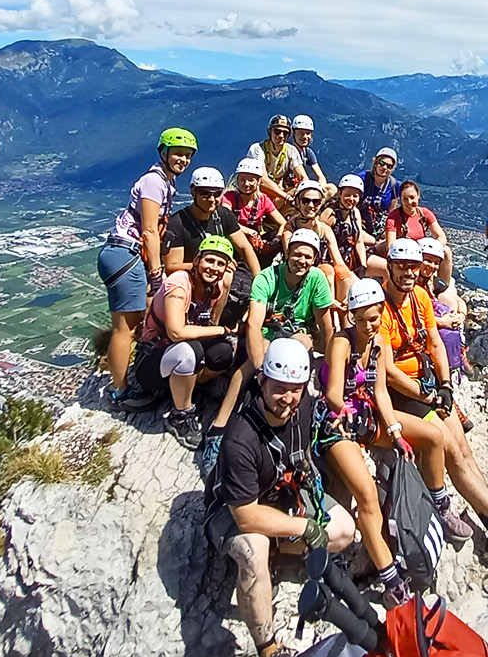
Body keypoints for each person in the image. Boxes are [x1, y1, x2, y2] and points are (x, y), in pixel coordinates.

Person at [204, 338, 356, 657]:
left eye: (295, 390)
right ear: (261, 382)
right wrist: (304, 529)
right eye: (279, 389)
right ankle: (268, 654)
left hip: (283, 495)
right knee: (253, 549)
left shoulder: (302, 408)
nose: (288, 399)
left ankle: (279, 548)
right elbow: (245, 515)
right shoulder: (240, 440)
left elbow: (315, 421)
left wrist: (335, 424)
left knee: (345, 529)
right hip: (232, 511)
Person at [314, 280, 471, 607]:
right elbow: (332, 393)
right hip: (338, 423)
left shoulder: (379, 343)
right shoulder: (342, 342)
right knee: (367, 494)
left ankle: (440, 505)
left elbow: (381, 392)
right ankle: (390, 578)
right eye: (362, 319)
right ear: (352, 316)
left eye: (374, 318)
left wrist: (397, 433)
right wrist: (346, 414)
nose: (369, 325)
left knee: (433, 436)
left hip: (367, 417)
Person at [378, 239, 488, 566]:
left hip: (427, 384)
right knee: (451, 450)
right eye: (402, 265)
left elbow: (434, 342)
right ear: (389, 266)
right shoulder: (383, 309)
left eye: (413, 267)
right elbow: (387, 371)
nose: (408, 272)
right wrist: (428, 394)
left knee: (463, 447)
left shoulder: (418, 297)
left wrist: (445, 383)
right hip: (404, 392)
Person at [201, 229, 337, 478]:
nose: (302, 261)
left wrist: (329, 369)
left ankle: (298, 440)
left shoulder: (316, 279)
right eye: (297, 254)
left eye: (308, 256)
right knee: (248, 369)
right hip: (265, 335)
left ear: (315, 259)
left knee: (300, 344)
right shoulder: (266, 278)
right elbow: (254, 323)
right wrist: (261, 365)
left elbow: (326, 325)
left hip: (296, 335)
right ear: (287, 253)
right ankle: (217, 429)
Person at [98, 127, 196, 404]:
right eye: (178, 154)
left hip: (123, 254)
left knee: (134, 323)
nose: (183, 160)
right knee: (125, 329)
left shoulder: (164, 181)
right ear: (163, 153)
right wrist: (156, 274)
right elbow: (150, 231)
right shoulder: (154, 182)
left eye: (188, 155)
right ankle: (121, 391)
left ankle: (127, 379)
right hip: (126, 253)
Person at [139, 234, 235, 448]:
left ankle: (189, 388)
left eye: (221, 264)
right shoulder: (179, 283)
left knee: (224, 352)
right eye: (209, 260)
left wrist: (226, 288)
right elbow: (175, 332)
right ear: (197, 260)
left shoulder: (213, 287)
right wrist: (221, 329)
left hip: (173, 356)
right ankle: (180, 415)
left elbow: (210, 322)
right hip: (152, 360)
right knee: (189, 351)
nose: (214, 268)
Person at [163, 168, 261, 280]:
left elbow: (245, 248)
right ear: (193, 193)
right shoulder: (177, 223)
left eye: (217, 194)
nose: (212, 199)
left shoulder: (224, 215)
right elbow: (171, 267)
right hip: (191, 279)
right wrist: (212, 266)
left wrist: (258, 281)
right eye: (205, 194)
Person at [280, 179, 351, 307]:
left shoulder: (324, 229)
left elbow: (339, 262)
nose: (311, 206)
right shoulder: (289, 232)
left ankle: (343, 315)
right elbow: (292, 266)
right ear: (297, 202)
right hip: (302, 278)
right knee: (327, 271)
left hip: (321, 276)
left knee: (342, 273)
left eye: (316, 202)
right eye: (306, 201)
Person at [417, 237, 468, 379]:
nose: (432, 266)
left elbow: (459, 301)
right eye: (427, 260)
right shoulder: (408, 282)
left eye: (436, 263)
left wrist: (461, 316)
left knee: (448, 300)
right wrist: (441, 322)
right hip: (420, 326)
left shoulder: (432, 282)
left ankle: (458, 353)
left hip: (430, 320)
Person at [383, 180, 453, 284]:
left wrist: (433, 249)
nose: (409, 202)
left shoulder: (424, 214)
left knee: (446, 251)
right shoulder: (394, 217)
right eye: (405, 199)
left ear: (418, 196)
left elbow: (441, 236)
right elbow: (390, 245)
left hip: (423, 251)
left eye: (412, 198)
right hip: (405, 254)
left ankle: (443, 286)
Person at [223, 157, 286, 269]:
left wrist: (275, 241)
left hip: (255, 245)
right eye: (242, 180)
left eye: (251, 180)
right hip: (233, 243)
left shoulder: (263, 200)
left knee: (281, 237)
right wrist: (250, 232)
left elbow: (283, 223)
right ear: (237, 180)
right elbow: (225, 220)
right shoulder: (229, 197)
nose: (246, 184)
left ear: (258, 181)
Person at [321, 173, 386, 279]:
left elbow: (359, 241)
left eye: (355, 196)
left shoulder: (355, 212)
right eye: (347, 195)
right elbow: (327, 244)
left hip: (352, 257)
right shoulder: (330, 214)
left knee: (388, 268)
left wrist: (363, 265)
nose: (351, 199)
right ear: (340, 193)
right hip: (333, 260)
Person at [247, 115, 306, 211]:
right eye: (277, 132)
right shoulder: (257, 149)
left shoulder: (291, 150)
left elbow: (303, 177)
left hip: (279, 195)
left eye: (285, 133)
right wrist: (286, 196)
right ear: (270, 132)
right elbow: (263, 180)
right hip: (258, 194)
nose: (281, 136)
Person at [359, 146, 402, 242]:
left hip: (379, 227)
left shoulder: (394, 186)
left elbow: (391, 211)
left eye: (389, 166)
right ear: (376, 163)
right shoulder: (363, 178)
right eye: (382, 163)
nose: (385, 168)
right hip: (359, 221)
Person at [290, 115, 330, 192]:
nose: (305, 137)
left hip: (301, 186)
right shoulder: (288, 150)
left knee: (331, 188)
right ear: (293, 133)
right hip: (289, 189)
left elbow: (321, 176)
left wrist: (321, 188)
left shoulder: (307, 152)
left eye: (308, 133)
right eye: (301, 133)